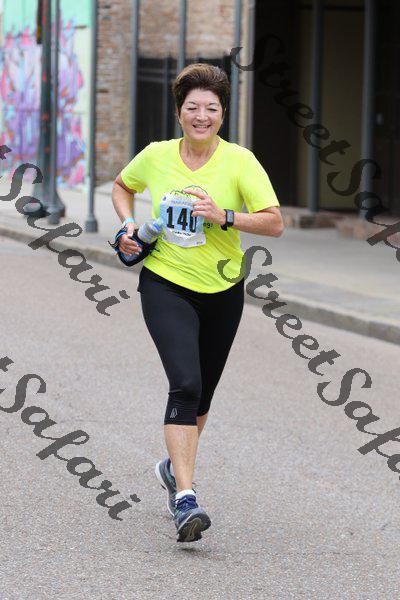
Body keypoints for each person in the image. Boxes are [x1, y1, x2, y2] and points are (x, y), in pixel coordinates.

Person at [111, 63, 284, 543]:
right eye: (192, 107)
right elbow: (122, 186)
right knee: (185, 385)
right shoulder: (156, 155)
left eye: (211, 107)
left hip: (223, 291)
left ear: (222, 113)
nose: (201, 116)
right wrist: (128, 225)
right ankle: (185, 498)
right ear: (179, 112)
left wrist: (224, 215)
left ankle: (172, 468)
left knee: (202, 396)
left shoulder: (240, 161)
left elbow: (274, 222)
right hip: (165, 283)